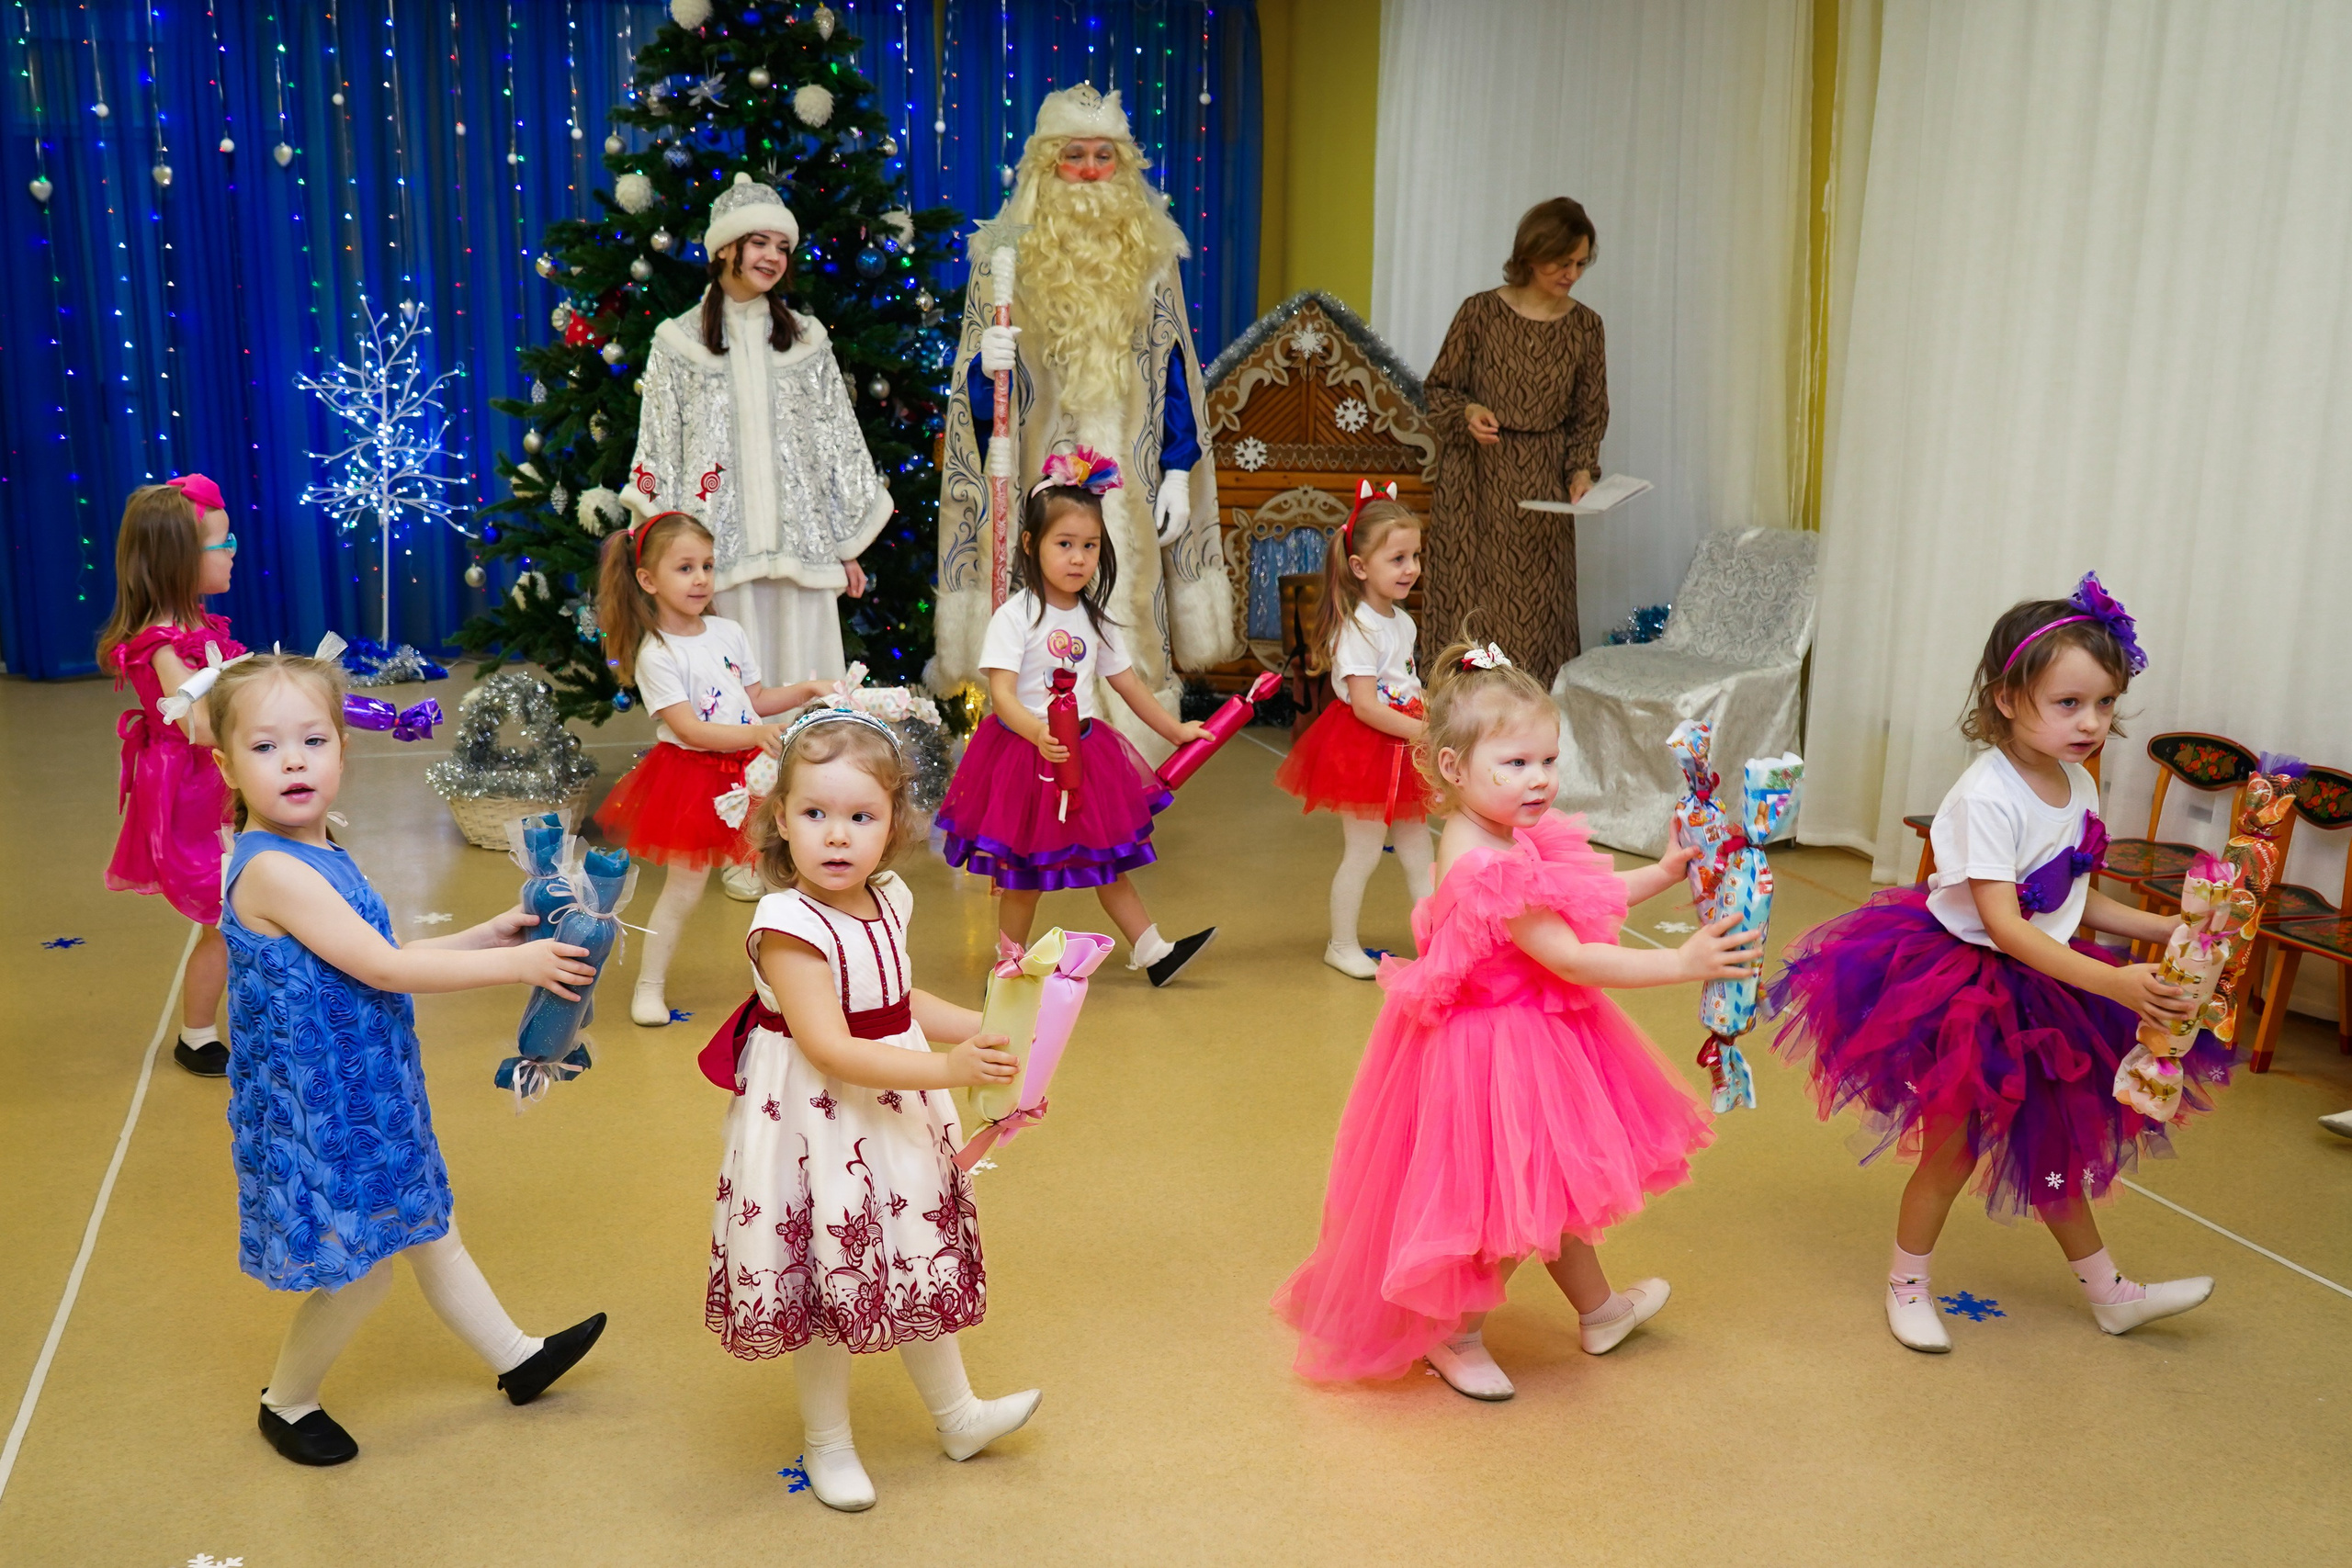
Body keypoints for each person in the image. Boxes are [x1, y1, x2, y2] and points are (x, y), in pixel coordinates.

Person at [1273, 639, 1758, 1400]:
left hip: (1527, 1032)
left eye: (1547, 760)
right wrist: (1682, 962)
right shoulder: (1483, 862)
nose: (1538, 781)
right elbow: (1572, 955)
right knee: (1506, 1202)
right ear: (1454, 770)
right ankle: (1453, 1333)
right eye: (1516, 764)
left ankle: (1600, 1309)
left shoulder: (1507, 832)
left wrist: (1664, 871)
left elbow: (1579, 896)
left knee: (1553, 1186)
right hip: (1495, 1050)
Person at [1770, 574, 2227, 1353]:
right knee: (1950, 1152)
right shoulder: (1987, 797)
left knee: (2054, 1146)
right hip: (1968, 986)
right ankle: (1907, 1284)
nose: (2092, 723)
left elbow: (2079, 902)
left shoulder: (2079, 781)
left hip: (2050, 980)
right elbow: (2008, 926)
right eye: (2069, 703)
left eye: (2106, 704)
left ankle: (2109, 1292)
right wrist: (2116, 979)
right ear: (2010, 698)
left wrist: (2178, 926)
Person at [205, 650, 608, 1466]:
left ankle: (516, 1358)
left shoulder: (319, 849)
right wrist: (518, 967)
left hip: (366, 1080)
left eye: (314, 740)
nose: (293, 761)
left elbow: (369, 954)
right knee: (363, 1270)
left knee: (430, 1223)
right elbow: (387, 970)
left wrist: (485, 935)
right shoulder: (275, 867)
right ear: (226, 764)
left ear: (342, 752)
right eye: (265, 747)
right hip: (324, 1106)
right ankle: (286, 1401)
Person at [700, 701, 1039, 1512]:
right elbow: (829, 1044)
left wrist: (998, 1030)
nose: (839, 835)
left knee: (914, 1248)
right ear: (781, 819)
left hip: (890, 1115)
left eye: (862, 815)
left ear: (893, 824)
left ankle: (958, 1416)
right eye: (816, 814)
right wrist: (947, 1065)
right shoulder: (786, 923)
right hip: (817, 1123)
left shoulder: (887, 899)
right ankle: (826, 1443)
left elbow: (895, 997)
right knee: (829, 1274)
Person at [932, 84, 1238, 755]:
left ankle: (1123, 767)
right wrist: (987, 368)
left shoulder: (1155, 260)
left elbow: (1173, 374)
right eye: (1075, 155)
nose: (1093, 170)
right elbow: (977, 413)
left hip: (1128, 479)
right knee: (1033, 619)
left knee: (1124, 614)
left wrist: (1180, 470)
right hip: (1034, 480)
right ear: (1047, 166)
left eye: (1105, 155)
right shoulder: (1000, 260)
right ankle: (1025, 757)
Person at [933, 451, 1217, 985]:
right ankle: (1010, 962)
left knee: (1108, 860)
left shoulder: (1093, 618)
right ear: (1030, 545)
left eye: (1089, 547)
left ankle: (1154, 951)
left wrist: (1176, 730)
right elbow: (1002, 696)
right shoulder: (1014, 617)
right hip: (1026, 755)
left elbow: (1128, 684)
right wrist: (1037, 732)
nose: (1078, 558)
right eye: (1064, 544)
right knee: (1023, 873)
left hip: (1086, 753)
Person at [628, 175, 892, 696]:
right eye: (759, 242)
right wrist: (670, 558)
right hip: (718, 556)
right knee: (733, 696)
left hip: (803, 551)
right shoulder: (677, 343)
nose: (773, 257)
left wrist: (847, 546)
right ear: (726, 247)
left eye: (782, 247)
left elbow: (836, 441)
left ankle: (809, 779)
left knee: (806, 692)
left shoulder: (807, 341)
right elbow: (659, 446)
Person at [593, 510, 830, 1025]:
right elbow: (691, 730)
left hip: (752, 774)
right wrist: (754, 735)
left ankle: (792, 983)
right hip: (692, 778)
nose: (700, 578)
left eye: (707, 565)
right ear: (648, 580)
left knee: (780, 878)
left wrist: (808, 690)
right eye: (685, 568)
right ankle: (648, 987)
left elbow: (757, 699)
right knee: (684, 889)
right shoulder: (656, 652)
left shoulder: (727, 631)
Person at [1419, 197, 1610, 680]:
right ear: (1529, 254)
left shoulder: (1586, 326)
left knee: (1537, 612)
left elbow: (1590, 414)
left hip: (1542, 488)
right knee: (1471, 604)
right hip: (1474, 482)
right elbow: (1438, 389)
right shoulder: (1480, 312)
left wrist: (1582, 470)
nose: (1571, 273)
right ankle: (1460, 734)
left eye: (1580, 263)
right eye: (1561, 262)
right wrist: (1469, 412)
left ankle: (1527, 742)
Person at [98, 476, 243, 1077]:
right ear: (181, 559)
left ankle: (214, 1026)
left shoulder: (200, 629)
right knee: (227, 915)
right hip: (189, 794)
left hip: (220, 787)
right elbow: (199, 727)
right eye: (222, 541)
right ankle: (198, 1033)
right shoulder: (161, 644)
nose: (234, 549)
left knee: (236, 915)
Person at [1272, 483, 1436, 977]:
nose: (1411, 568)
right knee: (1363, 853)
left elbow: (1405, 683)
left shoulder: (1401, 623)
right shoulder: (1356, 628)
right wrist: (1422, 731)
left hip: (1403, 746)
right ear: (1361, 567)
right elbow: (1365, 705)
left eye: (1415, 556)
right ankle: (1340, 944)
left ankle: (1436, 946)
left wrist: (1431, 713)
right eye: (1398, 559)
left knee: (1418, 850)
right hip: (1367, 750)